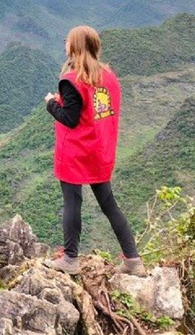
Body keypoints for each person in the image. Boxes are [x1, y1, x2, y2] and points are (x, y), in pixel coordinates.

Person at [43, 25, 146, 276]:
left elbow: (70, 118)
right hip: (100, 151)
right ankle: (133, 261)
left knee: (72, 202)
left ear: (74, 46)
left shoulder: (71, 80)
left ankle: (70, 259)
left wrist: (51, 104)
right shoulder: (108, 77)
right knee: (110, 205)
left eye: (68, 41)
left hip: (76, 152)